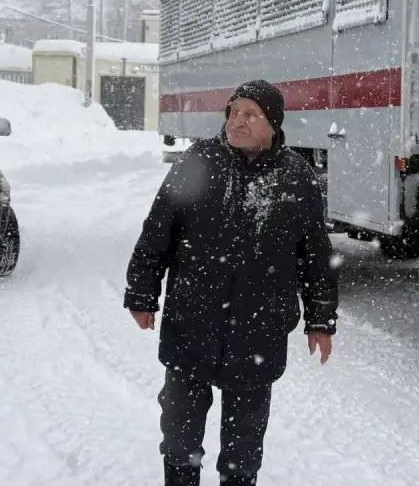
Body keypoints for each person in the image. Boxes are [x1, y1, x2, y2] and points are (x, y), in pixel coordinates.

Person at [125, 79, 339, 486]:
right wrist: (142, 292)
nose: (236, 122)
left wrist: (320, 321)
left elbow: (315, 258)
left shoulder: (296, 177)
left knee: (244, 447)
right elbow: (158, 231)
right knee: (179, 436)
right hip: (191, 323)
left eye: (249, 115)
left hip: (259, 334)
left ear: (272, 124)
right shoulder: (198, 161)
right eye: (233, 112)